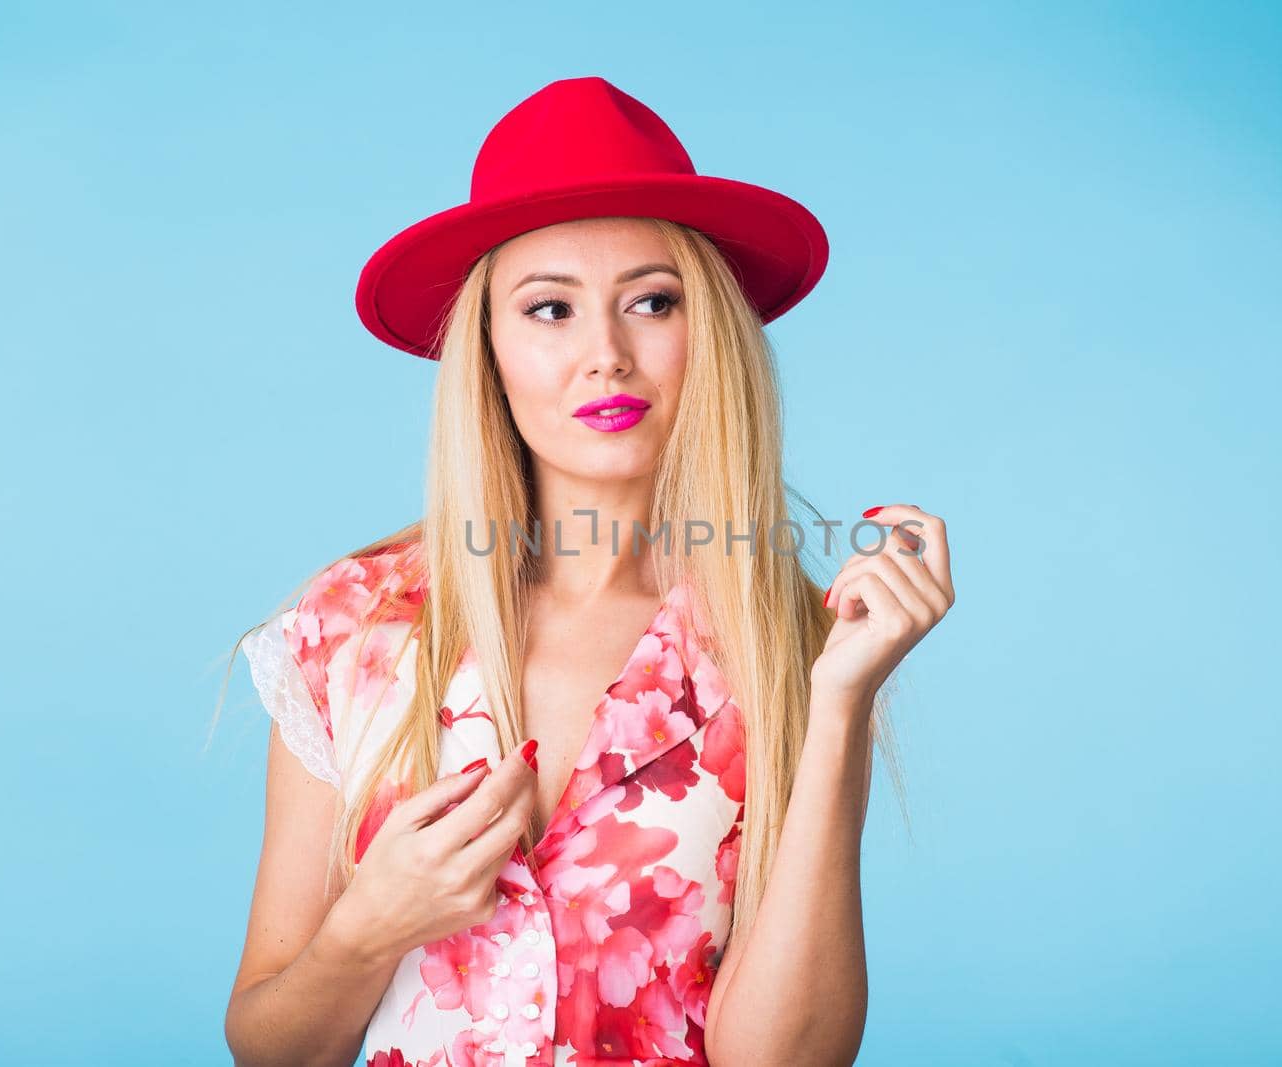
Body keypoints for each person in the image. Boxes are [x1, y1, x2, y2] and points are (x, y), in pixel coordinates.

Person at [221, 76, 953, 1067]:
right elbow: (271, 1048)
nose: (605, 354)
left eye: (652, 301)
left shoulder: (795, 652)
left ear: (712, 337)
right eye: (550, 308)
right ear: (489, 347)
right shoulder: (353, 629)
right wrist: (369, 924)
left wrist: (835, 706)